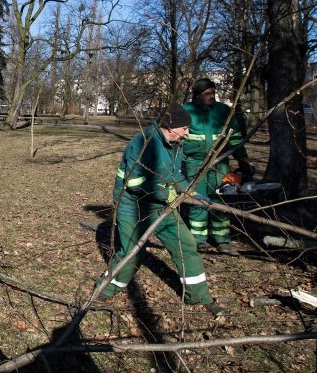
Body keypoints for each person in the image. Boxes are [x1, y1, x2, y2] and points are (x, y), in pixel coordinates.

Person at [97, 104, 228, 316]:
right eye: (185, 128)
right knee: (132, 254)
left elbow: (174, 176)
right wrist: (168, 195)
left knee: (186, 245)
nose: (188, 132)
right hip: (132, 206)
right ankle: (102, 292)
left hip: (160, 206)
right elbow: (135, 182)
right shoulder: (142, 143)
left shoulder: (176, 144)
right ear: (170, 126)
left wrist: (192, 195)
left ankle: (199, 297)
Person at [182, 78, 254, 255]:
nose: (212, 96)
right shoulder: (186, 110)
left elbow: (236, 137)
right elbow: (177, 137)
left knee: (220, 198)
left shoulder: (223, 111)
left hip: (220, 162)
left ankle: (222, 240)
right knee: (198, 199)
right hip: (195, 163)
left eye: (213, 92)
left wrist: (243, 159)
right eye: (207, 93)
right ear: (197, 96)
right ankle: (199, 239)